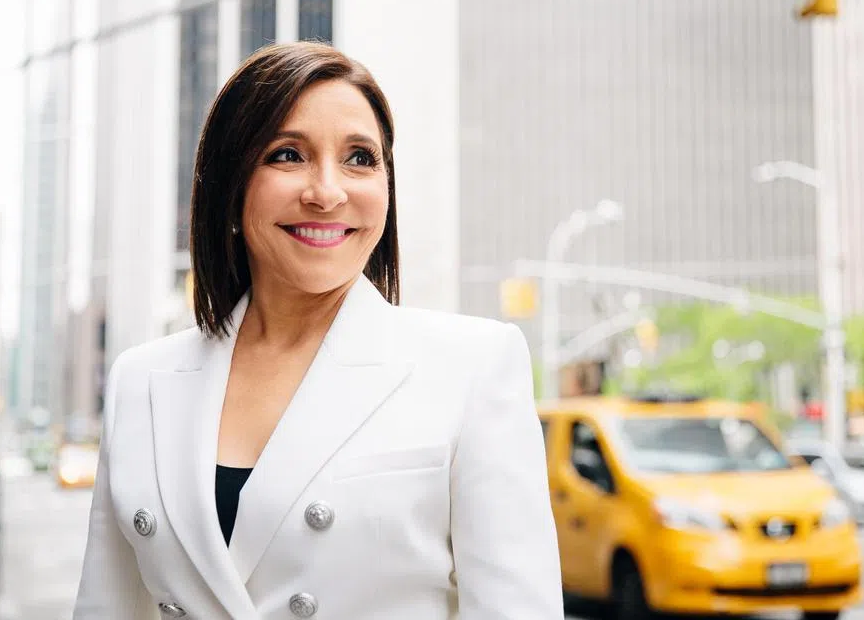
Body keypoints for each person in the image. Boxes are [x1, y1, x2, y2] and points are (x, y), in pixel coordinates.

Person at [73, 42, 563, 619]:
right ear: (231, 187)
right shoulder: (141, 381)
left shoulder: (474, 367)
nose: (327, 192)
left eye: (360, 158)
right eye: (287, 155)